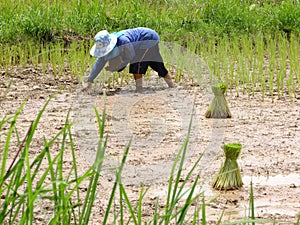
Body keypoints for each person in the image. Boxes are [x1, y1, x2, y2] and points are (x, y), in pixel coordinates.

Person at [83, 27, 175, 92]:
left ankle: (139, 90)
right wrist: (89, 81)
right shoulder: (106, 45)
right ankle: (172, 86)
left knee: (137, 64)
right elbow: (99, 62)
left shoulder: (123, 41)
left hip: (148, 39)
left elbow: (131, 57)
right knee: (157, 63)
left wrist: (118, 68)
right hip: (145, 40)